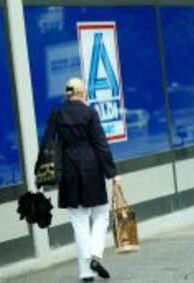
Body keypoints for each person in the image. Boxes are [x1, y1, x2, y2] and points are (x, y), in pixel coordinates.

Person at [36, 77, 121, 282]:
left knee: (79, 222)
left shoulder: (57, 113)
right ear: (82, 93)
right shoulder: (90, 113)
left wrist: (42, 176)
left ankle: (86, 271)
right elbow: (101, 145)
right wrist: (113, 173)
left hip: (69, 170)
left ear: (67, 93)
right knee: (101, 214)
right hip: (91, 167)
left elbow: (46, 143)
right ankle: (95, 256)